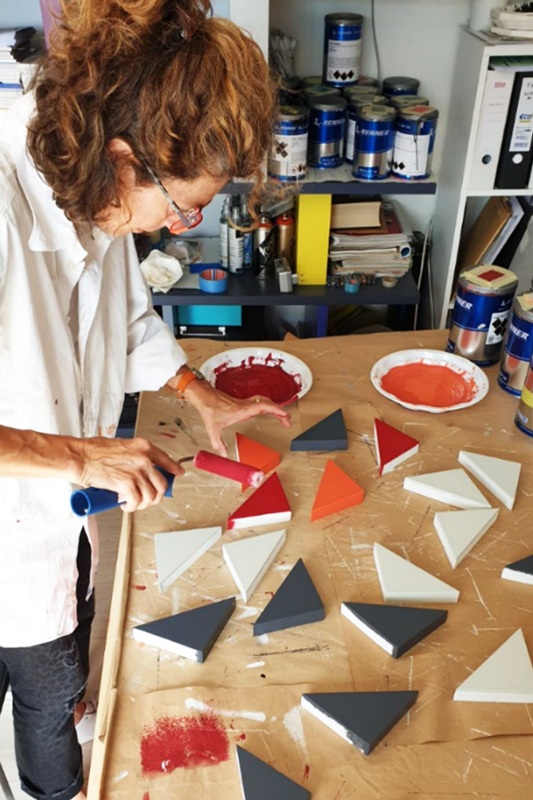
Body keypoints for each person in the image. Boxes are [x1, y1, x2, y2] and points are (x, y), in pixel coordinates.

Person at [0, 2, 287, 798]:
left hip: (57, 515)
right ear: (126, 160)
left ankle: (62, 715)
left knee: (74, 641)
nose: (179, 226)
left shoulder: (88, 176)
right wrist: (83, 454)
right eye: (183, 207)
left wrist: (198, 393)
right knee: (44, 686)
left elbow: (121, 318)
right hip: (7, 533)